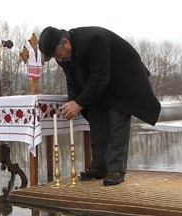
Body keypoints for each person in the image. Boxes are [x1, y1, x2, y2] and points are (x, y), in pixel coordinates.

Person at [39, 26, 161, 186]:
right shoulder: (64, 57)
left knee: (118, 118)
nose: (58, 60)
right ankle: (99, 167)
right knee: (96, 117)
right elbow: (72, 81)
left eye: (57, 55)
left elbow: (100, 77)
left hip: (124, 78)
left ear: (66, 43)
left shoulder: (93, 40)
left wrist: (79, 103)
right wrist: (73, 100)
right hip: (103, 83)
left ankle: (116, 170)